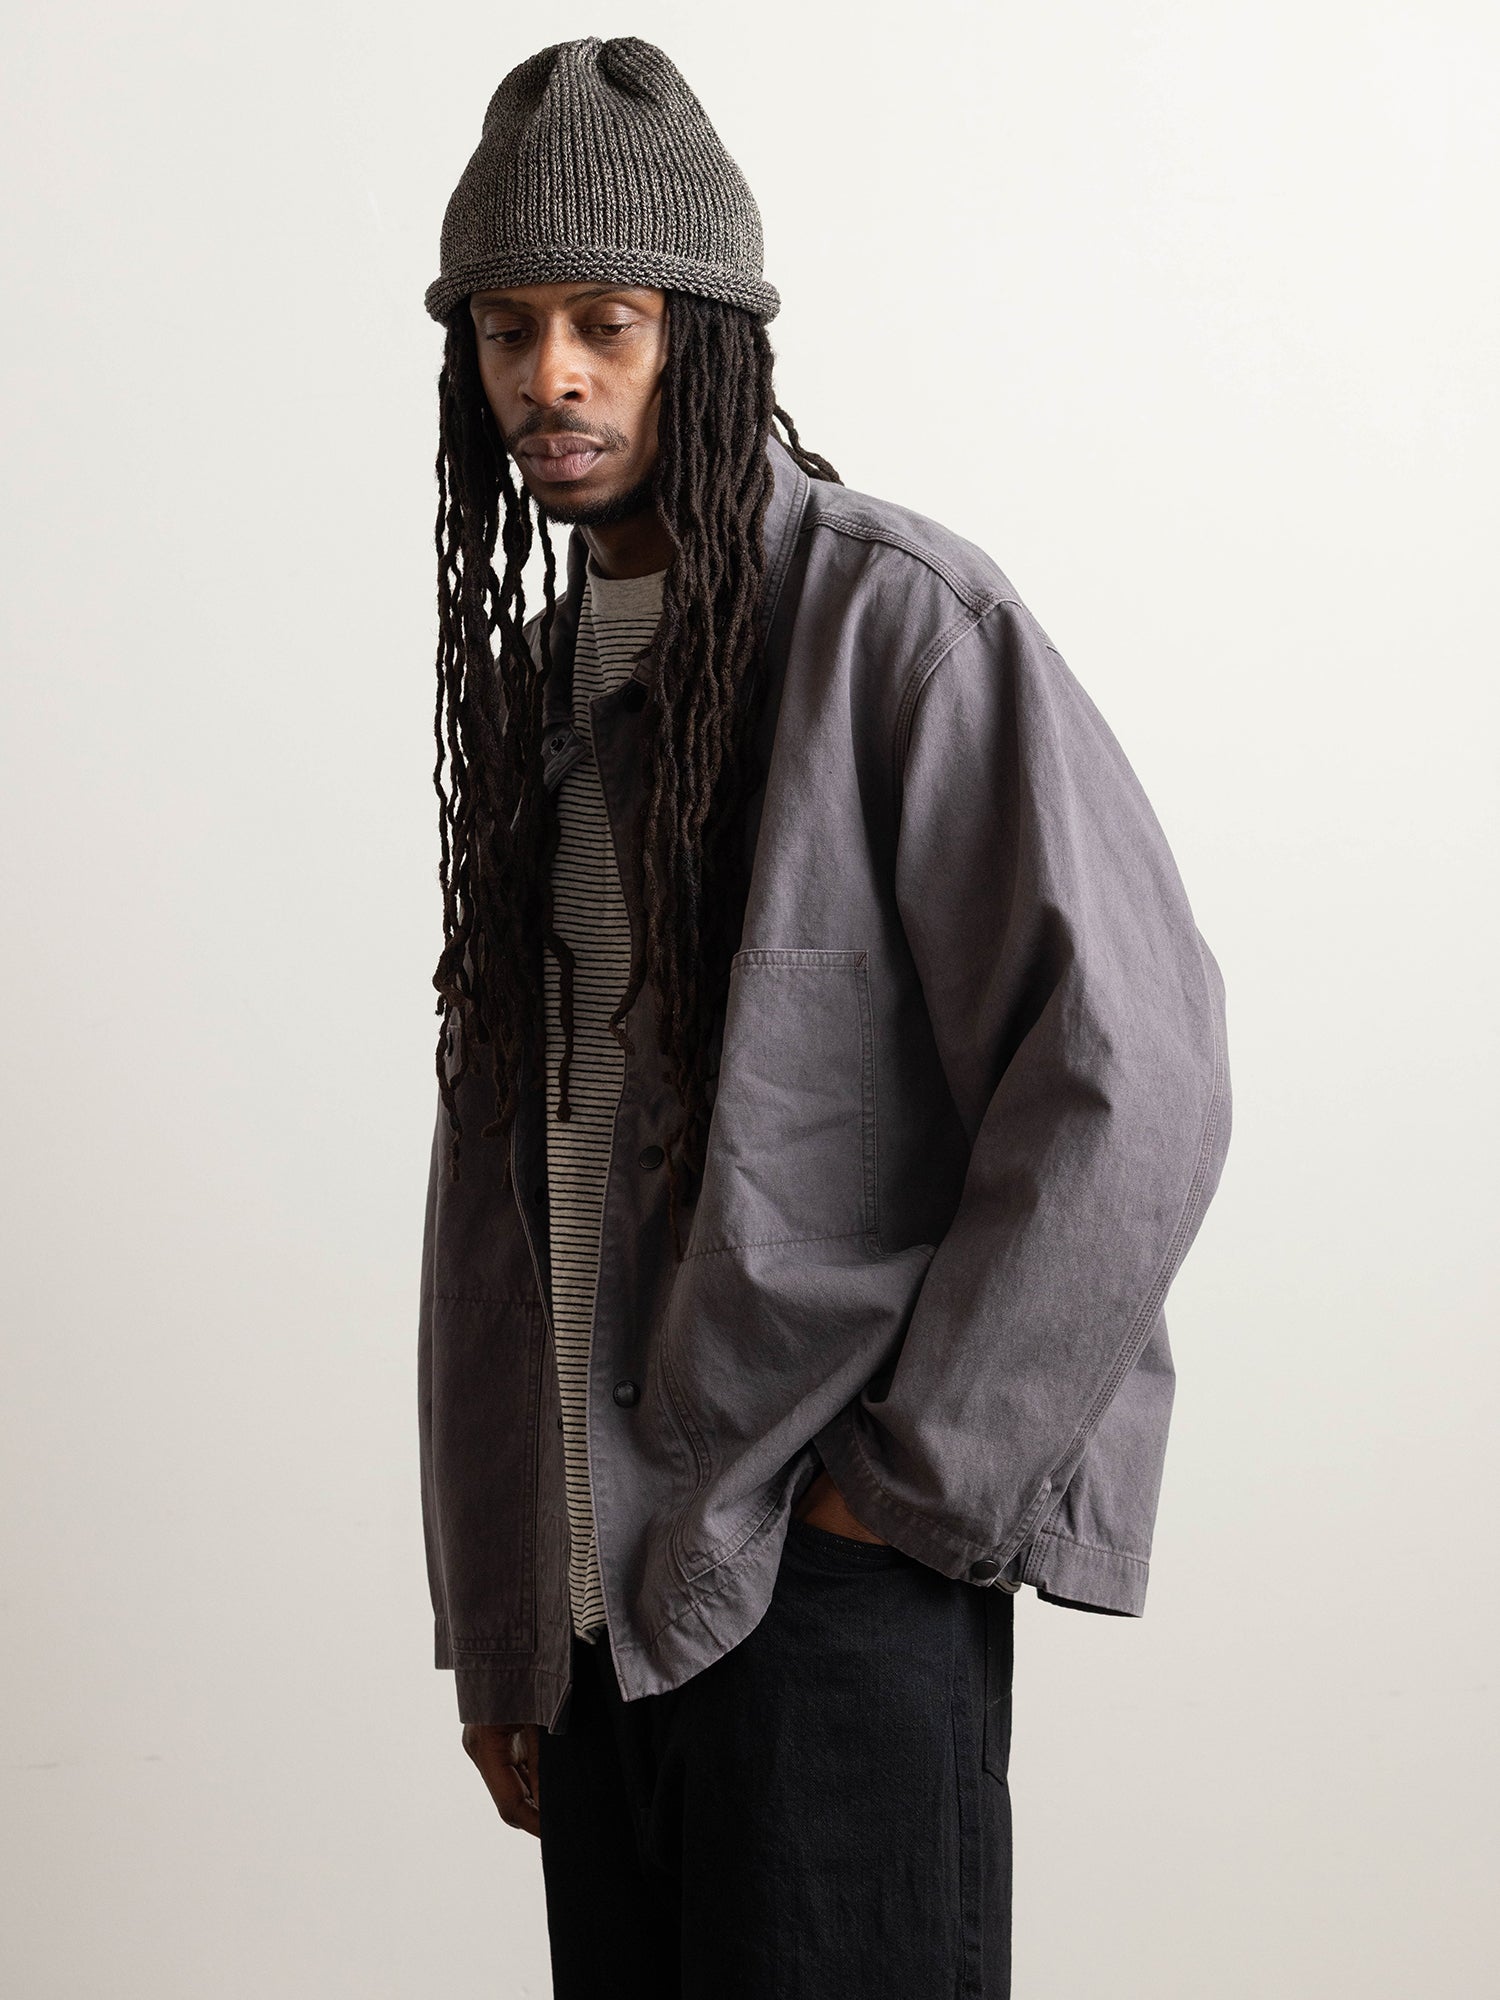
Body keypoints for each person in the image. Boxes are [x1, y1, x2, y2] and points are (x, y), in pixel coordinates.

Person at [416, 36, 1231, 2000]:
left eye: (605, 323)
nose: (551, 376)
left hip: (827, 1574)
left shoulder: (901, 630)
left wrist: (904, 1489)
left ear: (705, 338)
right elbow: (507, 1195)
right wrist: (506, 1612)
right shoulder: (532, 696)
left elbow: (1138, 1074)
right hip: (596, 1617)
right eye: (509, 330)